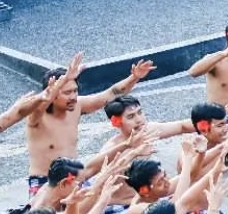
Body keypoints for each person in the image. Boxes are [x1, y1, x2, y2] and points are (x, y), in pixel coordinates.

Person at [27, 54, 155, 187]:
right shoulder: (37, 116)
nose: (73, 96)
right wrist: (63, 80)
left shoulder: (77, 105)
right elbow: (41, 103)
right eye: (67, 93)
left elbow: (110, 94)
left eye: (75, 91)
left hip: (75, 176)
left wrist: (134, 78)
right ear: (51, 93)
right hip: (44, 182)